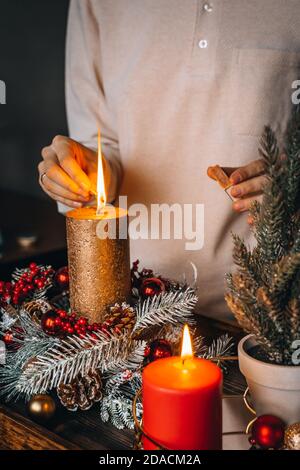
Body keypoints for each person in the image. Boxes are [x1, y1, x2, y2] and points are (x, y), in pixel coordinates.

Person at [38, 0, 300, 321]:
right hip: (134, 312)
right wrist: (84, 169)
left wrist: (292, 181)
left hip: (273, 320)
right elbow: (101, 139)